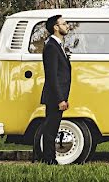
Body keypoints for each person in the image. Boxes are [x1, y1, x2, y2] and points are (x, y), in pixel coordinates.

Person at [38, 14, 71, 165]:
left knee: (52, 128)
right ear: (56, 27)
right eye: (64, 24)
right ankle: (49, 159)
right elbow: (52, 76)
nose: (67, 26)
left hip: (58, 95)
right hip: (54, 97)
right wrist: (60, 99)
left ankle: (50, 158)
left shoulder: (57, 45)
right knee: (50, 129)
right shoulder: (51, 46)